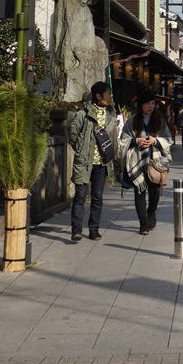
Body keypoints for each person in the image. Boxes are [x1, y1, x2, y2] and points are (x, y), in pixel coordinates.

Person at [66, 82, 121, 243]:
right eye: (108, 93)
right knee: (80, 196)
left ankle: (94, 230)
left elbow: (112, 139)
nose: (110, 96)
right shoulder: (83, 114)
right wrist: (82, 150)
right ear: (98, 96)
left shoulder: (111, 116)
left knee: (98, 197)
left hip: (102, 163)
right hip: (84, 162)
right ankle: (76, 230)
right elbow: (73, 134)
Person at [120, 90, 173, 234]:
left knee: (155, 191)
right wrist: (136, 140)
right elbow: (123, 140)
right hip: (137, 159)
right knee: (140, 191)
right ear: (141, 105)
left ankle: (151, 213)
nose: (150, 106)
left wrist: (155, 140)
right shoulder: (132, 120)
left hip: (155, 162)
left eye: (152, 103)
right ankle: (143, 224)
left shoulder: (159, 120)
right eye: (147, 104)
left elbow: (168, 139)